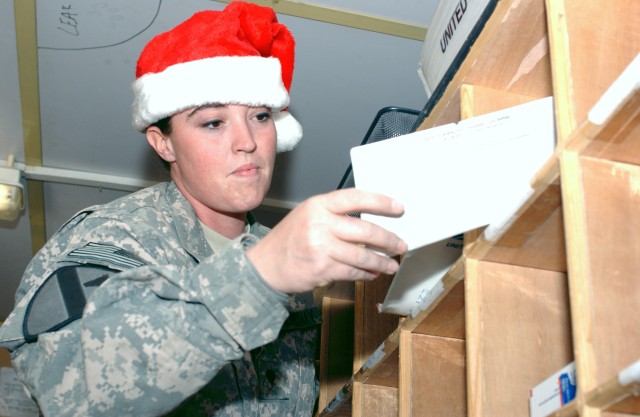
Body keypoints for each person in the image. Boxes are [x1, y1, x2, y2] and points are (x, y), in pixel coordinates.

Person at [0, 2, 407, 416]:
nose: (247, 140)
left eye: (261, 116)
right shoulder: (117, 235)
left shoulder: (295, 266)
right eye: (213, 123)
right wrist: (257, 277)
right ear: (164, 143)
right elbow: (65, 384)